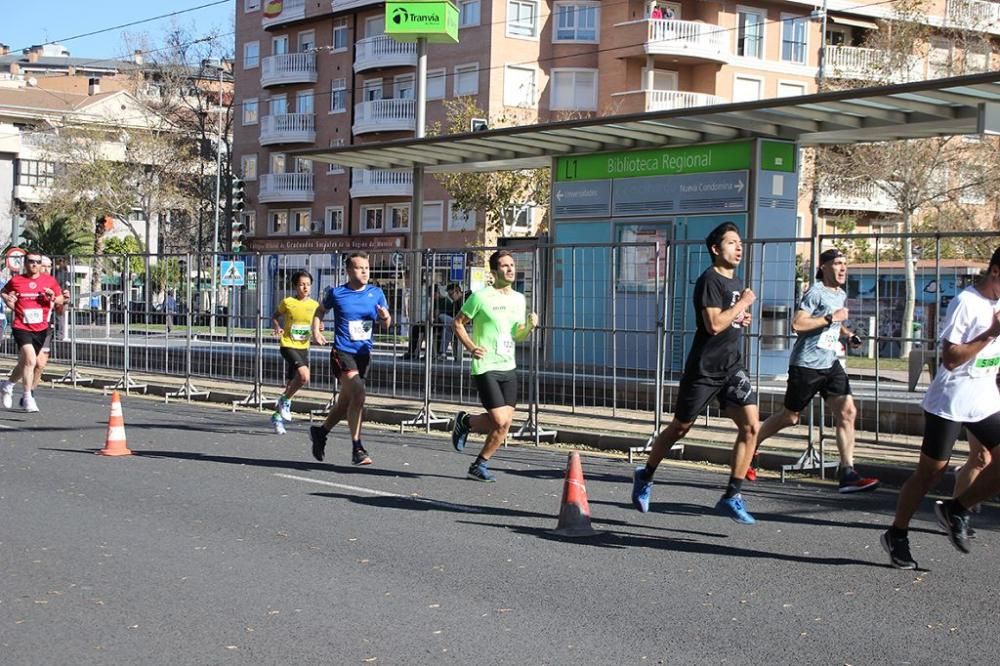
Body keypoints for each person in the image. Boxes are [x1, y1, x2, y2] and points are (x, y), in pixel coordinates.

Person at [630, 222, 760, 523]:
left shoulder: (736, 281)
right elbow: (713, 325)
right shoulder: (709, 280)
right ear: (716, 249)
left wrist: (741, 316)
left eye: (740, 242)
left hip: (732, 367)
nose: (738, 247)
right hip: (704, 369)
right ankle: (646, 474)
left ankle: (732, 495)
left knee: (751, 427)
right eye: (731, 242)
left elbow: (727, 320)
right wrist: (742, 304)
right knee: (679, 428)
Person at [881, 246, 1000, 569]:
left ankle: (956, 509)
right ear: (996, 272)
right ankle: (897, 534)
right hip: (951, 399)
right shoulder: (967, 302)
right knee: (929, 474)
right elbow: (950, 360)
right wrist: (990, 333)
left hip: (985, 399)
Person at [747, 248, 880, 493]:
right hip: (806, 365)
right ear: (823, 267)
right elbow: (798, 324)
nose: (843, 268)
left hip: (830, 363)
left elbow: (835, 323)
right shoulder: (815, 292)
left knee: (848, 412)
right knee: (790, 417)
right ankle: (749, 447)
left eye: (845, 264)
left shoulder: (839, 293)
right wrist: (831, 318)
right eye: (838, 263)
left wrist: (849, 336)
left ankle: (848, 472)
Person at [450, 250, 538, 482]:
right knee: (499, 420)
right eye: (504, 266)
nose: (510, 269)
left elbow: (517, 336)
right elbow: (458, 323)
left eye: (512, 265)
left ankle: (477, 461)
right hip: (486, 365)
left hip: (508, 365)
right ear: (494, 271)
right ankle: (466, 423)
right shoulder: (480, 297)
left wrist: (529, 326)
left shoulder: (519, 299)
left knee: (505, 423)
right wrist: (471, 347)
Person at [309, 252, 391, 466]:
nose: (364, 271)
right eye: (359, 267)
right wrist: (316, 331)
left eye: (367, 267)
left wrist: (384, 317)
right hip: (342, 352)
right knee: (359, 395)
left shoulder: (376, 293)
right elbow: (320, 311)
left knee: (346, 401)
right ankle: (357, 448)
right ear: (348, 270)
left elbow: (387, 323)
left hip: (363, 354)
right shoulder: (337, 293)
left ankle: (321, 432)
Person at [0, 253, 66, 412]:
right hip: (21, 326)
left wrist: (53, 297)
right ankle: (28, 397)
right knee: (30, 360)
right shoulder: (17, 280)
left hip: (41, 328)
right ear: (25, 263)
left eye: (37, 262)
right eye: (31, 261)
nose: (34, 265)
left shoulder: (48, 281)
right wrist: (9, 301)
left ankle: (8, 385)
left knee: (24, 363)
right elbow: (4, 291)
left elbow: (60, 300)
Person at [269, 270, 320, 435]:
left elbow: (317, 321)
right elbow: (275, 316)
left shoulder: (314, 305)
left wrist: (319, 329)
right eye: (301, 284)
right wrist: (277, 327)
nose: (305, 287)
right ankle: (284, 401)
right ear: (295, 286)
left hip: (303, 347)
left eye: (308, 284)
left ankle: (277, 417)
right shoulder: (288, 302)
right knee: (304, 377)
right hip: (288, 345)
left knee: (292, 384)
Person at [435, 282, 465, 360]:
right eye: (449, 295)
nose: (450, 297)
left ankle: (442, 353)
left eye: (451, 294)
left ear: (458, 291)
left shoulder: (466, 299)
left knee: (443, 317)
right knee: (448, 326)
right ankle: (442, 353)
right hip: (457, 324)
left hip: (465, 323)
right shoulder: (455, 303)